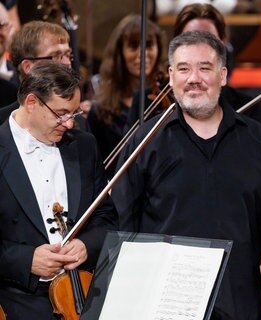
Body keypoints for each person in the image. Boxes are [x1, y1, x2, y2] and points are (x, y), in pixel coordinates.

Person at [112, 30, 261, 320]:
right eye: (183, 69)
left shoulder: (260, 142)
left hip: (240, 302)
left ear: (223, 75)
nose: (193, 78)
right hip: (164, 304)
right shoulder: (145, 142)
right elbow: (124, 225)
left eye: (204, 68)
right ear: (171, 76)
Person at [0, 61, 117, 319]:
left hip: (83, 294)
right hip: (17, 302)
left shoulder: (84, 146)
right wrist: (26, 260)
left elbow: (107, 219)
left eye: (74, 114)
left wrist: (86, 246)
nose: (69, 124)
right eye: (61, 113)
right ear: (31, 103)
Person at [88, 14, 164, 174]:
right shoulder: (101, 111)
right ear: (120, 52)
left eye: (149, 45)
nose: (142, 53)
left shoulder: (167, 101)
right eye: (133, 45)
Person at [0, 21, 74, 123]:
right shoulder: (3, 123)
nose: (67, 63)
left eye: (68, 54)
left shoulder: (80, 124)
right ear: (28, 67)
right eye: (56, 56)